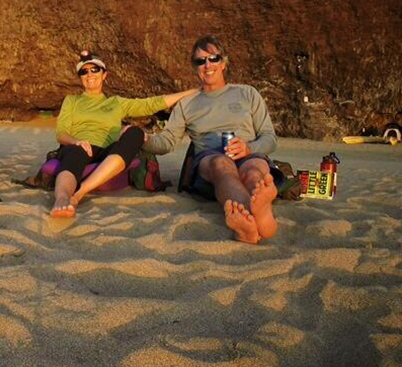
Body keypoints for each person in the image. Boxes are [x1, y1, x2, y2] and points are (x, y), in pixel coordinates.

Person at [144, 35, 282, 244]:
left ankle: (254, 222)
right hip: (210, 159)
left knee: (253, 171)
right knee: (221, 165)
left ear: (223, 62)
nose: (207, 65)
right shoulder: (187, 104)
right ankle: (255, 214)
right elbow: (167, 141)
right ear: (195, 67)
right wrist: (143, 139)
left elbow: (270, 138)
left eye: (213, 58)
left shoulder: (247, 93)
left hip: (247, 151)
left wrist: (248, 148)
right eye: (200, 61)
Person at [49, 50, 198, 218]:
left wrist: (190, 92)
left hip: (106, 152)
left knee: (134, 132)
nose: (89, 74)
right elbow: (61, 133)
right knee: (76, 152)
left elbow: (150, 104)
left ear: (104, 75)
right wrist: (76, 141)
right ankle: (62, 199)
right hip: (78, 148)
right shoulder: (71, 101)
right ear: (80, 77)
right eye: (84, 71)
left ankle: (79, 193)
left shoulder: (116, 103)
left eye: (94, 70)